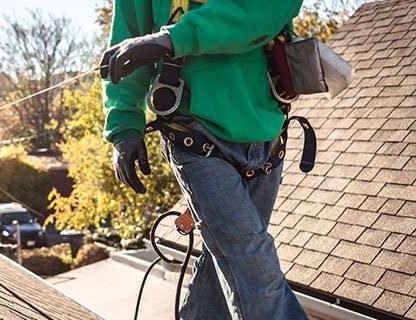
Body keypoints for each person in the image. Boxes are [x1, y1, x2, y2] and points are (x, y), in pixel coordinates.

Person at [101, 1, 309, 319]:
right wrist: (124, 125)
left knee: (224, 265)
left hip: (267, 133)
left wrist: (174, 39)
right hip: (194, 136)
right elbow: (129, 42)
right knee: (254, 270)